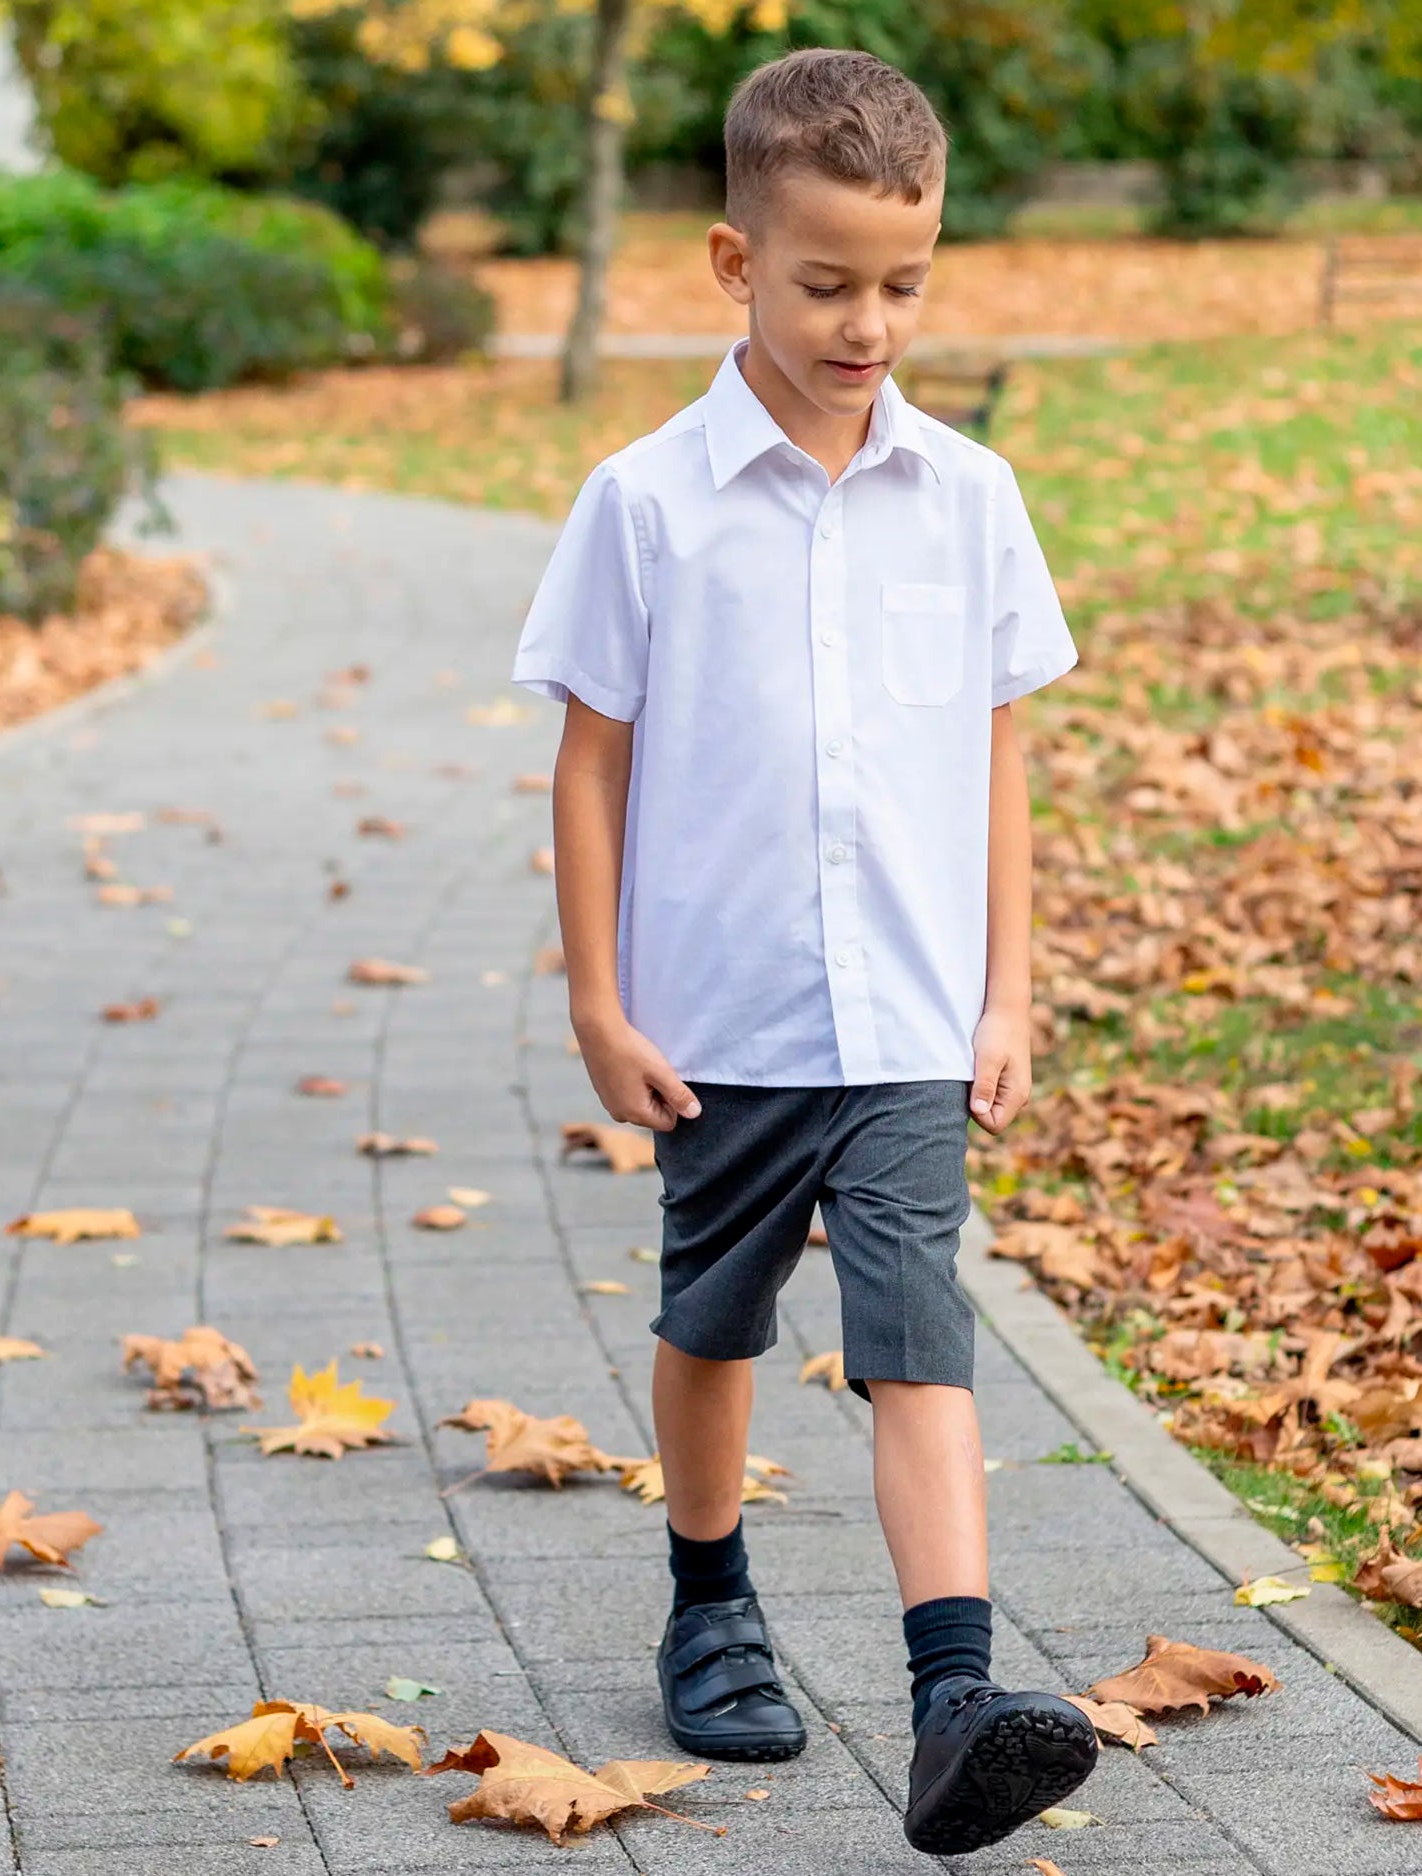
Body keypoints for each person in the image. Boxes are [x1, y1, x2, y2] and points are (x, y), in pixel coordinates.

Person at [513, 44, 1094, 1856]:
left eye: (902, 285)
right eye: (826, 283)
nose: (866, 324)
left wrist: (1003, 988)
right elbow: (589, 756)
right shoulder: (648, 500)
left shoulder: (971, 496)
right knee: (716, 1316)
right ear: (731, 263)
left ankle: (951, 1700)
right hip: (724, 1013)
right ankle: (708, 1598)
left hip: (914, 1014)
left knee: (920, 1337)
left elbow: (996, 748)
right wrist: (600, 1002)